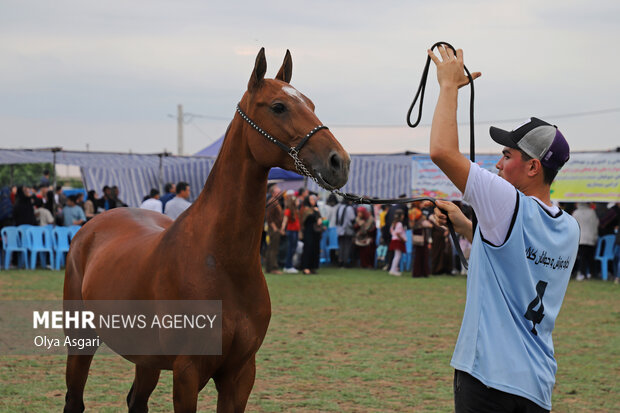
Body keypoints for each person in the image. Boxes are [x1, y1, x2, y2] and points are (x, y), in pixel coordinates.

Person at [427, 45, 578, 413]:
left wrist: (447, 87)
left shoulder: (506, 202)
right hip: (536, 383)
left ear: (532, 168)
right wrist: (467, 228)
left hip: (487, 378)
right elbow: (517, 263)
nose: (498, 163)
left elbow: (442, 152)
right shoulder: (569, 228)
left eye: (508, 156)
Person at [571, 203, 599, 280]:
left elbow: (573, 225)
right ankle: (593, 273)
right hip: (591, 237)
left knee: (582, 257)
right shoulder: (592, 212)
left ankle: (582, 273)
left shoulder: (575, 213)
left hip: (581, 238)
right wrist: (595, 236)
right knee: (591, 257)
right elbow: (596, 224)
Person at [300, 194, 323, 274]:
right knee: (308, 249)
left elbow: (319, 217)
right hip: (308, 232)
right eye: (311, 199)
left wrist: (319, 218)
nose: (313, 201)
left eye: (314, 199)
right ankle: (305, 267)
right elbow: (308, 218)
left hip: (315, 232)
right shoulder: (306, 209)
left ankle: (313, 267)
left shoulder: (316, 209)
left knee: (315, 249)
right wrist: (316, 213)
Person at [264, 184, 284, 274]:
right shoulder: (272, 202)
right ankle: (273, 268)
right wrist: (275, 228)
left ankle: (268, 267)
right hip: (274, 229)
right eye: (277, 191)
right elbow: (269, 217)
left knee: (271, 248)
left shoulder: (275, 201)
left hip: (275, 228)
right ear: (273, 193)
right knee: (273, 249)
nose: (280, 192)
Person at [281, 193, 300, 273]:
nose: (298, 202)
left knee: (293, 248)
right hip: (291, 231)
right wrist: (282, 229)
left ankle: (289, 265)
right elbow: (285, 221)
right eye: (296, 201)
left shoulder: (295, 210)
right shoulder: (288, 211)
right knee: (291, 249)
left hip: (295, 231)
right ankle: (288, 266)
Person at [335, 199, 356, 267]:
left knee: (341, 246)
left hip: (339, 230)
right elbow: (352, 218)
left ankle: (340, 261)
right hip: (347, 229)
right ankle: (345, 262)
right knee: (347, 246)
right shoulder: (349, 208)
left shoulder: (339, 207)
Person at [388, 210, 406, 276]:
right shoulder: (399, 224)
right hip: (398, 240)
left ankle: (394, 269)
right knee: (397, 256)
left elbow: (391, 231)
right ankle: (393, 270)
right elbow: (398, 233)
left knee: (396, 255)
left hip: (394, 239)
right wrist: (403, 239)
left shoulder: (393, 223)